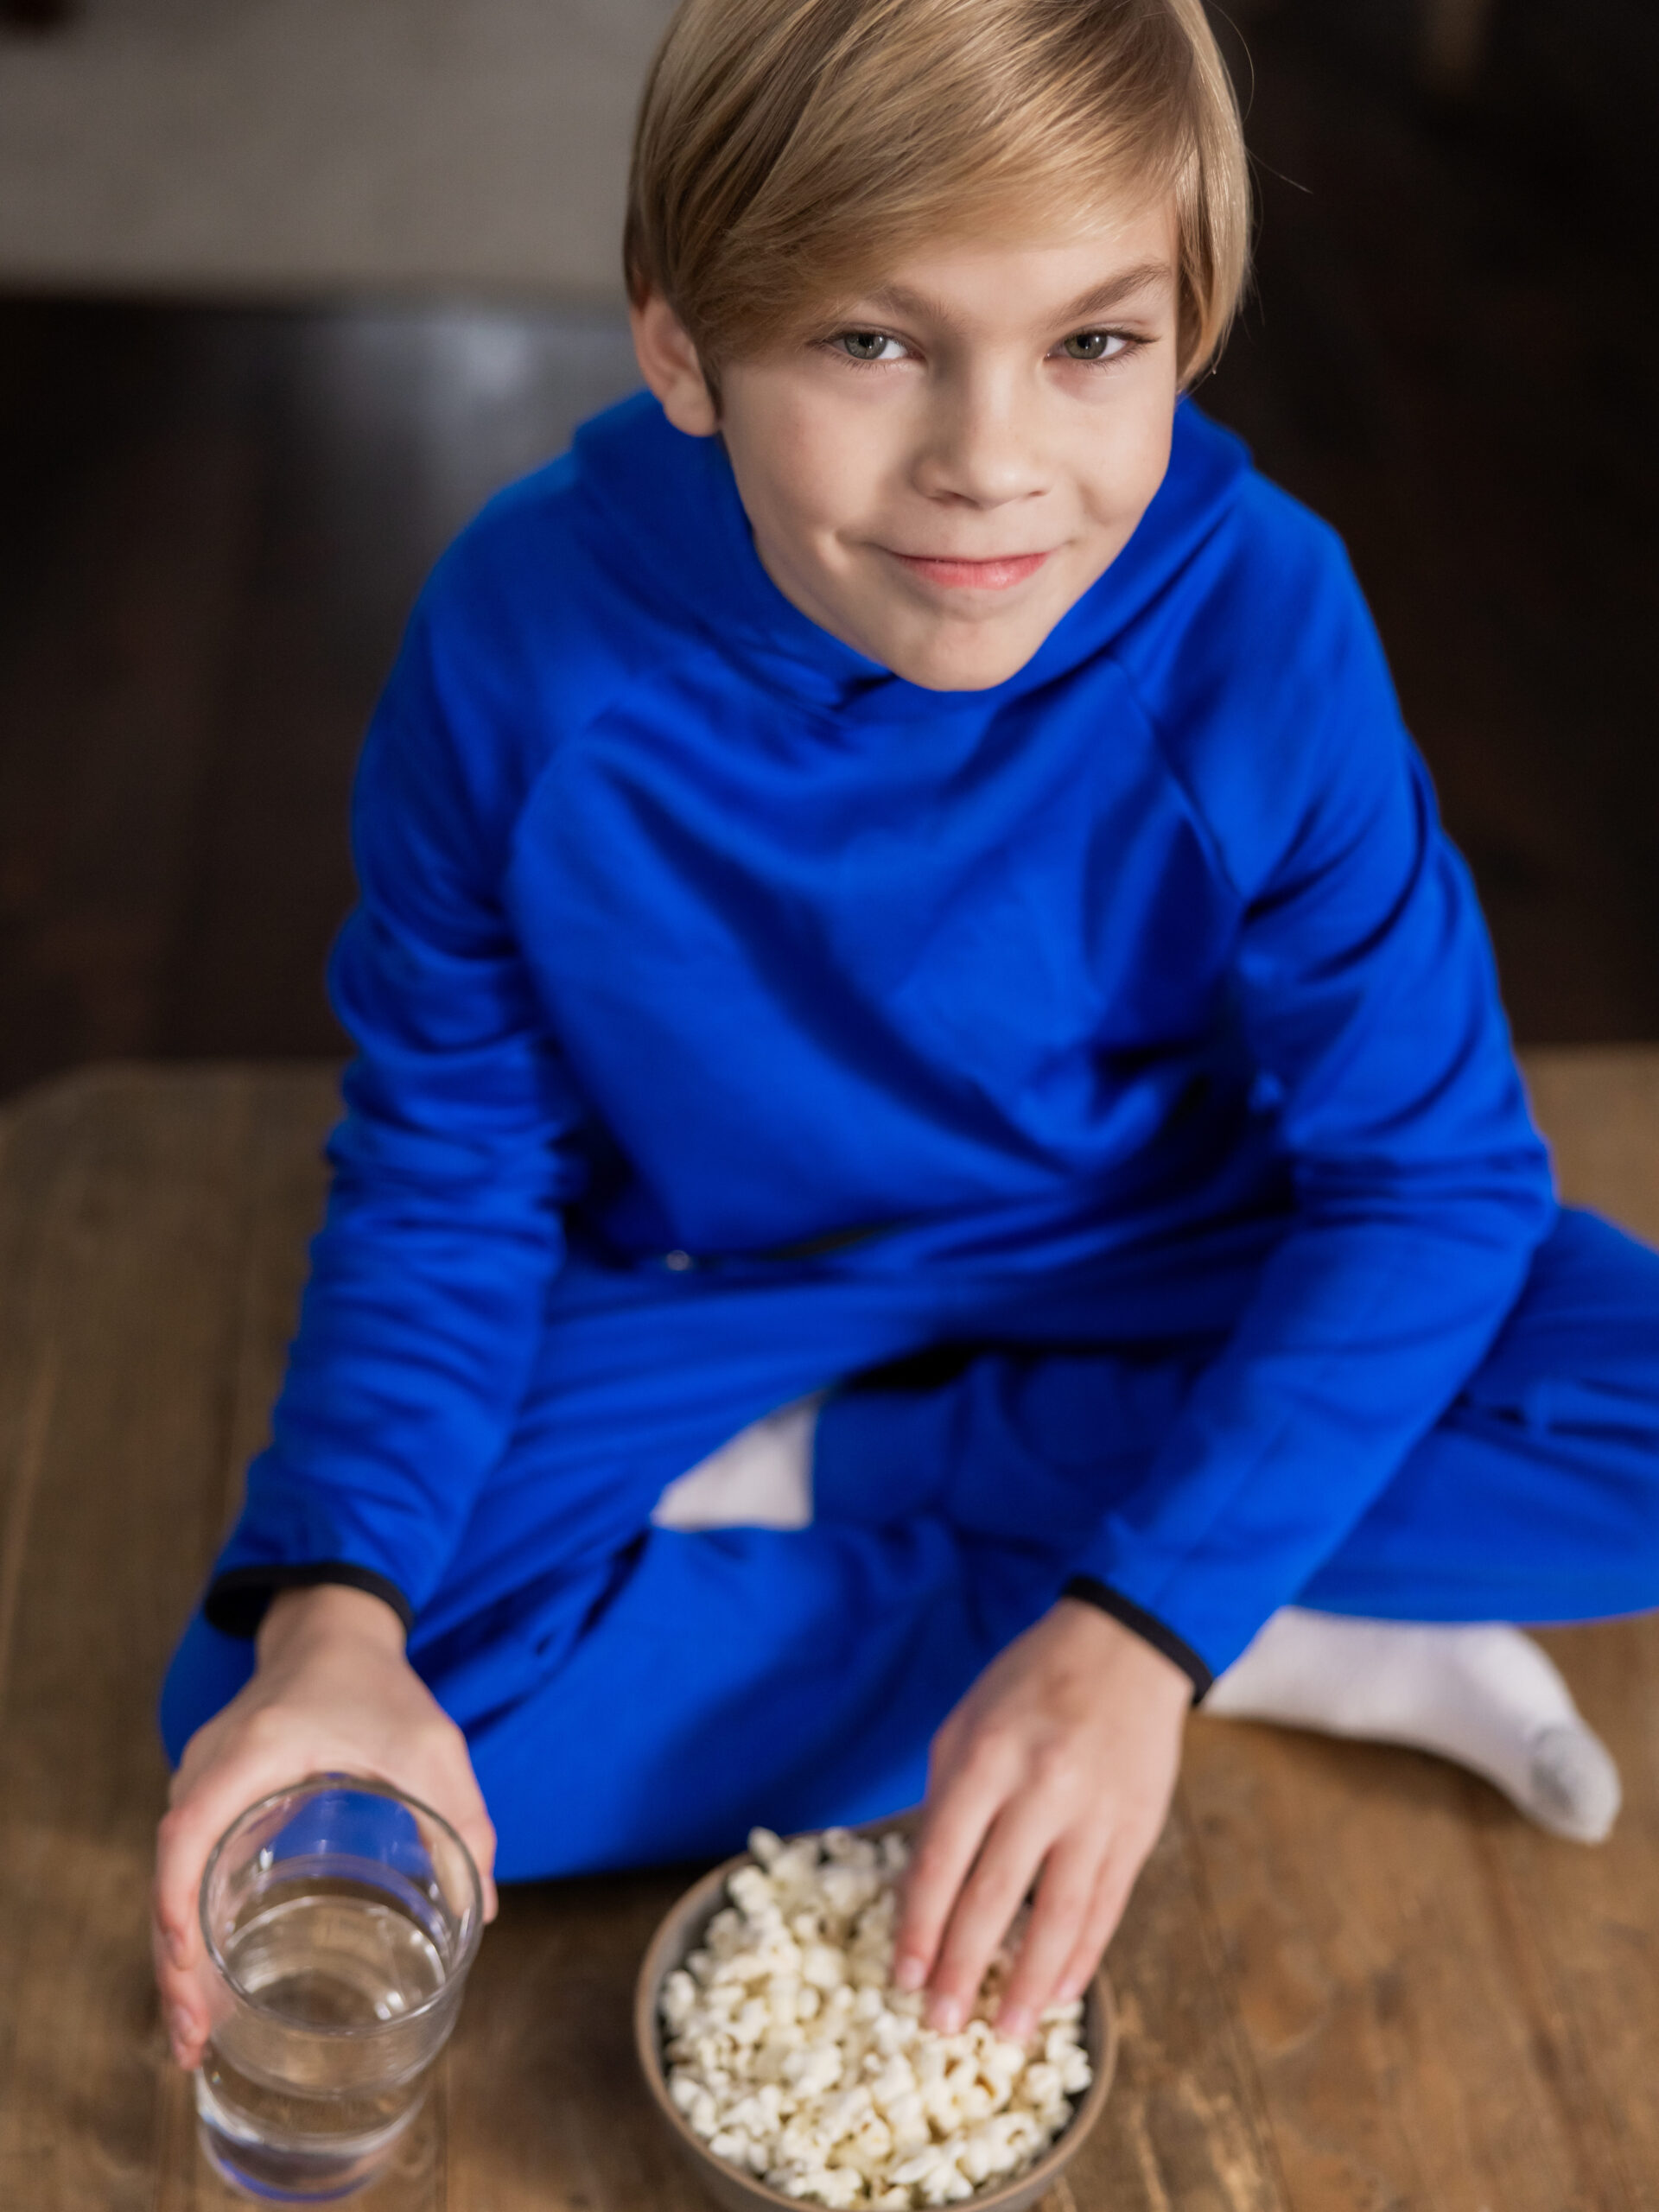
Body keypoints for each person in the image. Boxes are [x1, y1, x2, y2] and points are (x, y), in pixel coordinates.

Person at [153, 0, 1659, 2076]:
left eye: (1094, 346)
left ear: (1194, 326)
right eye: (873, 343)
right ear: (679, 342)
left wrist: (1134, 1633)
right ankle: (1283, 1607)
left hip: (1166, 1244)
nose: (993, 461)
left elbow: (1438, 1177)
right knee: (300, 1739)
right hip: (713, 1284)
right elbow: (448, 1169)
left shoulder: (1262, 621)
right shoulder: (517, 645)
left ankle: (1018, 1560)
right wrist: (332, 1629)